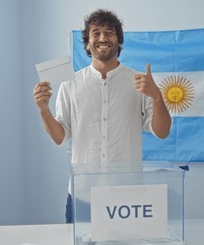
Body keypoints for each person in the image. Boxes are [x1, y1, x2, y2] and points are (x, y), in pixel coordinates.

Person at [33, 9, 171, 223]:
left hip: (127, 197)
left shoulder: (139, 82)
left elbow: (162, 132)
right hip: (82, 195)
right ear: (88, 44)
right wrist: (44, 109)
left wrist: (156, 97)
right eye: (95, 33)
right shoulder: (69, 84)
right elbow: (61, 137)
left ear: (119, 41)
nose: (103, 38)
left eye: (110, 32)